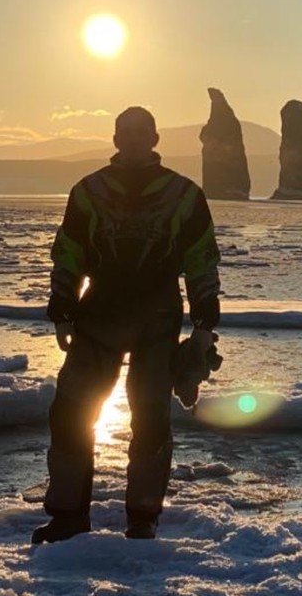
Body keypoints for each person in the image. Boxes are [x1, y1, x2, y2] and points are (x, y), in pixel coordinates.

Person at [33, 106, 221, 543]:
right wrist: (61, 307)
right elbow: (68, 253)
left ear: (155, 138)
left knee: (151, 416)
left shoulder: (184, 195)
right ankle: (67, 516)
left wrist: (205, 322)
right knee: (69, 413)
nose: (134, 139)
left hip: (157, 316)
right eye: (125, 132)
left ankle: (142, 518)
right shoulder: (88, 192)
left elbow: (201, 261)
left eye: (142, 132)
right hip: (98, 312)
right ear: (115, 138)